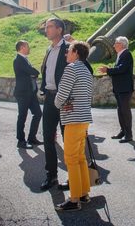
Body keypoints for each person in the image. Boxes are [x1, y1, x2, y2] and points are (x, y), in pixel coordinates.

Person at [54, 41, 93, 212]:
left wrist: (58, 104)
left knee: (70, 158)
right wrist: (70, 102)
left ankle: (74, 198)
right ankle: (84, 193)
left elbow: (62, 94)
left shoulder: (71, 69)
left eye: (69, 51)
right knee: (80, 157)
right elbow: (82, 94)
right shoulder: (86, 70)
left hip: (73, 119)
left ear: (76, 52)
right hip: (84, 118)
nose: (66, 54)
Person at [39, 17, 69, 191]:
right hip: (50, 99)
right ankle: (51, 175)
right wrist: (44, 89)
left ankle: (74, 178)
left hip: (64, 100)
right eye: (46, 27)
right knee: (48, 138)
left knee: (69, 140)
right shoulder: (49, 49)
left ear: (59, 30)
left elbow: (83, 70)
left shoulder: (69, 48)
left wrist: (69, 97)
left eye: (49, 27)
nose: (46, 30)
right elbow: (47, 72)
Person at [98, 36, 134, 143]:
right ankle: (123, 131)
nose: (113, 46)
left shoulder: (127, 54)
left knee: (125, 111)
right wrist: (110, 70)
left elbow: (122, 69)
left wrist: (108, 70)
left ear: (121, 45)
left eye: (115, 43)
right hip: (119, 88)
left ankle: (128, 134)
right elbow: (119, 70)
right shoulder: (121, 54)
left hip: (125, 88)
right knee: (120, 110)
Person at [13, 40, 43, 149]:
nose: (29, 48)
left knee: (38, 114)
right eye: (27, 46)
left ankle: (32, 138)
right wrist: (33, 73)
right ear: (22, 47)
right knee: (22, 116)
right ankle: (21, 141)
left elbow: (32, 73)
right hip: (23, 93)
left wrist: (32, 73)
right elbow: (34, 72)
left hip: (31, 93)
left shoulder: (25, 60)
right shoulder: (18, 60)